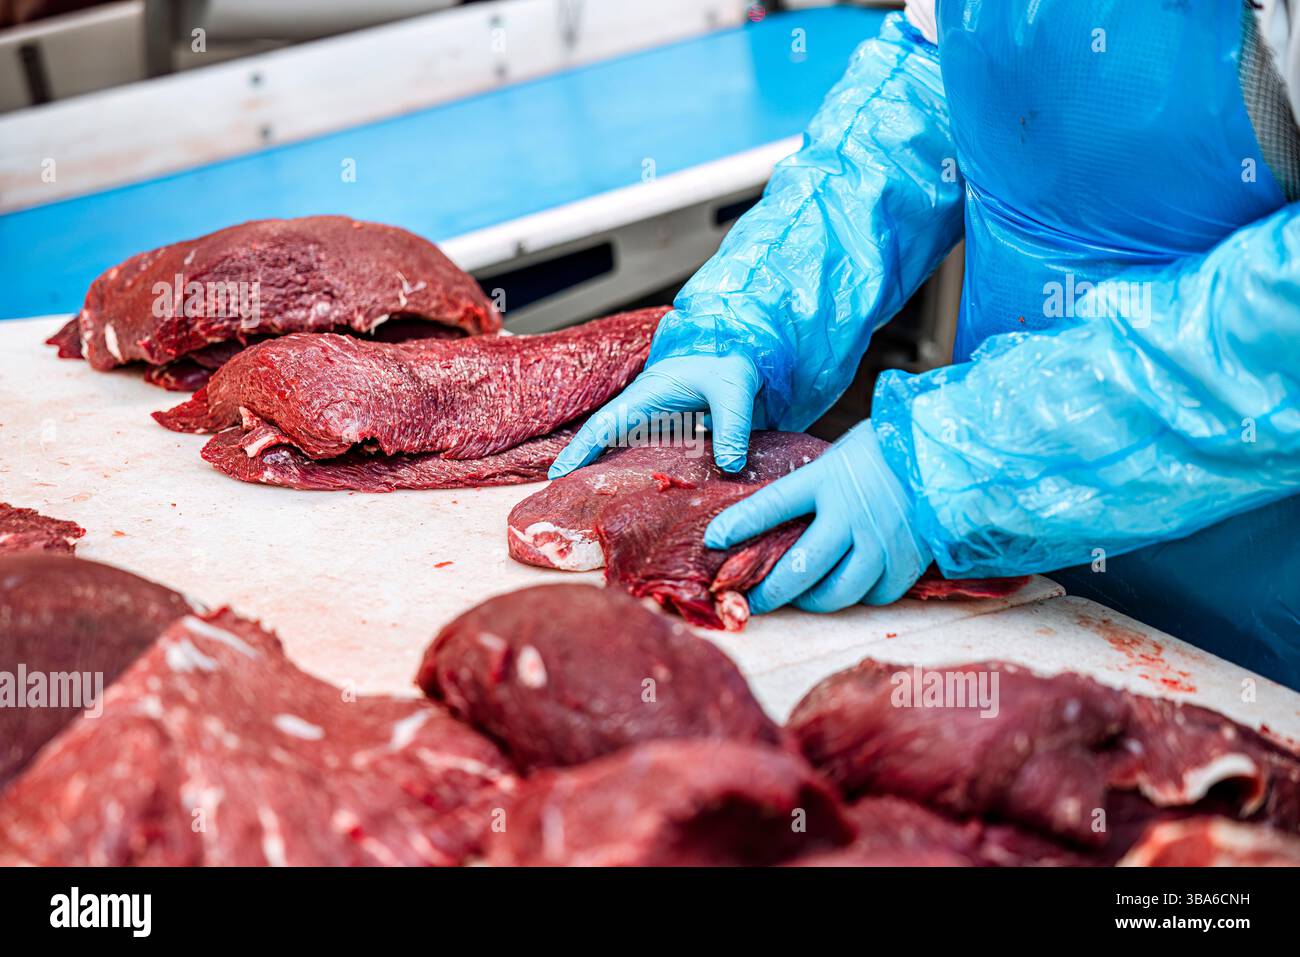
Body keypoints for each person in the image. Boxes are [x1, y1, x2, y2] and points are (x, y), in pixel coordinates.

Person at [550, 0, 1300, 688]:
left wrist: (964, 459)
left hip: (1256, 633)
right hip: (1017, 595)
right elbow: (929, 89)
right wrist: (754, 311)